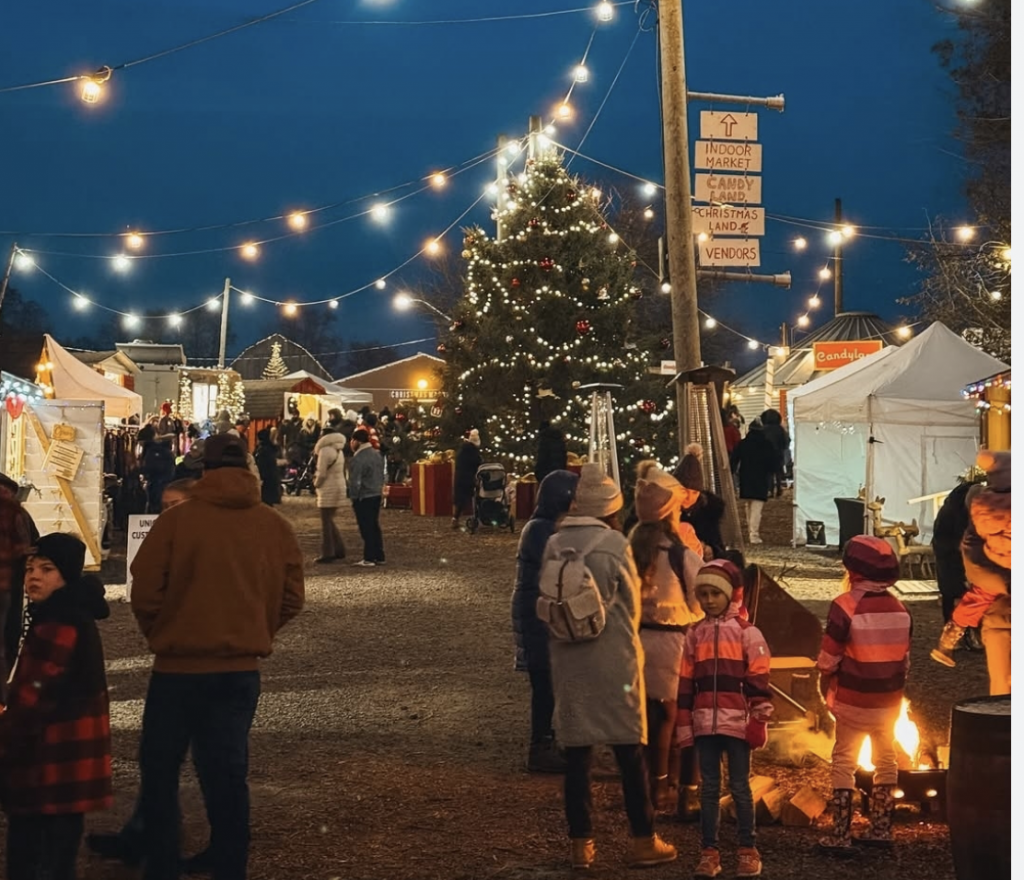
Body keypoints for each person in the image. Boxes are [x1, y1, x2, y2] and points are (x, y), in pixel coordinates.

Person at [129, 432, 305, 880]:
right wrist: (256, 629)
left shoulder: (177, 522)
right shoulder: (274, 526)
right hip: (239, 671)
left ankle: (162, 864)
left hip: (177, 669)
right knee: (226, 773)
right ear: (247, 468)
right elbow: (292, 597)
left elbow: (145, 589)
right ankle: (229, 863)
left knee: (161, 770)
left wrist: (166, 631)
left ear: (203, 469)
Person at [544, 463, 677, 870]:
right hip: (614, 659)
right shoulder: (616, 544)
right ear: (611, 509)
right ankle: (643, 840)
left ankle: (581, 846)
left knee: (577, 758)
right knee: (629, 753)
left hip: (569, 658)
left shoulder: (555, 543)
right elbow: (632, 607)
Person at [86, 478, 212, 873]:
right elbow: (143, 588)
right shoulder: (170, 539)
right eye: (164, 505)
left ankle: (168, 851)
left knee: (195, 762)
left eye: (176, 505)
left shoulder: (203, 545)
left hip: (194, 664)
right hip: (182, 659)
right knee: (160, 761)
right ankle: (145, 836)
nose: (167, 513)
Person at [0, 533, 113, 880]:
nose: (34, 576)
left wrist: (7, 736)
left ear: (66, 575)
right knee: (60, 841)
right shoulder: (71, 613)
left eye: (47, 569)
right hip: (70, 753)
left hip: (51, 753)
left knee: (33, 849)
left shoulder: (58, 622)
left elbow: (34, 692)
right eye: (30, 568)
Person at [676, 559, 772, 878]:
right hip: (705, 724)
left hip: (738, 725)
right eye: (703, 594)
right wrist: (685, 725)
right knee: (709, 789)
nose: (709, 600)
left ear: (731, 594)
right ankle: (709, 852)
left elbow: (759, 678)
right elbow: (685, 683)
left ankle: (748, 849)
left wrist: (759, 720)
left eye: (715, 593)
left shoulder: (748, 633)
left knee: (740, 787)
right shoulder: (694, 634)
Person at [817, 536, 912, 852]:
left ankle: (841, 834)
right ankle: (881, 829)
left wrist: (826, 674)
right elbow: (904, 661)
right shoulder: (901, 609)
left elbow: (828, 658)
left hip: (852, 701)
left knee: (844, 759)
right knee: (886, 759)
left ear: (852, 569)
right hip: (889, 703)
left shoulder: (844, 605)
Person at [628, 476, 703, 816]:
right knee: (678, 717)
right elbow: (699, 601)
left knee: (651, 716)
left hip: (638, 641)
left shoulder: (630, 550)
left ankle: (654, 784)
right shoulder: (679, 554)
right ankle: (676, 790)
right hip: (673, 643)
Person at [511, 469, 579, 774]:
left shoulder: (544, 526)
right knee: (544, 682)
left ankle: (546, 739)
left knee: (548, 681)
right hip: (537, 615)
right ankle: (540, 745)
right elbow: (556, 567)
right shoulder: (540, 530)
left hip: (538, 611)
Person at [931, 450, 1010, 694]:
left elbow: (976, 570)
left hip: (998, 609)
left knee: (1002, 692)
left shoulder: (980, 511)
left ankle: (950, 637)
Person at [0, 473, 35, 693]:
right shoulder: (16, 512)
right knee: (7, 640)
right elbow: (30, 545)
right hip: (7, 586)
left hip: (7, 584)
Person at [672, 444, 728, 560]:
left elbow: (717, 544)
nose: (688, 497)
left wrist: (710, 549)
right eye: (684, 492)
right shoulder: (665, 508)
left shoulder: (708, 511)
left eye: (694, 493)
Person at [729, 419, 777, 545]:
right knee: (757, 507)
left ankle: (751, 530)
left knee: (748, 505)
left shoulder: (743, 443)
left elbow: (734, 460)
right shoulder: (767, 444)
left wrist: (731, 472)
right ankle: (753, 534)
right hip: (761, 478)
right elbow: (773, 463)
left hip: (746, 477)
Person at [348, 428, 386, 567]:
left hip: (363, 496)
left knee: (366, 527)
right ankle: (379, 555)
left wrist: (353, 497)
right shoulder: (377, 454)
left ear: (357, 441)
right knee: (374, 525)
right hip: (376, 493)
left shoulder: (358, 458)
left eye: (352, 440)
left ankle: (369, 557)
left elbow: (355, 481)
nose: (351, 443)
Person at [312, 425, 349, 564]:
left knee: (326, 523)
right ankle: (339, 549)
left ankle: (328, 552)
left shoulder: (325, 451)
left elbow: (321, 473)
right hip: (338, 486)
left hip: (327, 489)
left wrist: (316, 483)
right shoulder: (339, 450)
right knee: (329, 520)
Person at [452, 429, 482, 529]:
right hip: (469, 477)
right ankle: (478, 516)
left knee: (461, 499)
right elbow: (477, 463)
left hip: (461, 476)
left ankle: (455, 518)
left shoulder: (463, 450)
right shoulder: (472, 451)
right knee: (473, 496)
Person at [759, 409, 790, 497]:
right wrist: (783, 448)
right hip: (778, 454)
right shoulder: (780, 429)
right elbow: (787, 441)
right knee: (778, 472)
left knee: (768, 473)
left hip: (766, 454)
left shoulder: (763, 429)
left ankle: (770, 490)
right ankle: (779, 489)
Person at [534, 420, 568, 486]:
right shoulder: (559, 440)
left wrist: (538, 474)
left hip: (546, 475)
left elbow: (541, 460)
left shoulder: (544, 441)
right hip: (559, 474)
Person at [254, 428, 283, 507]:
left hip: (266, 479)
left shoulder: (263, 450)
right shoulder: (270, 449)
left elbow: (262, 465)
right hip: (271, 479)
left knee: (266, 502)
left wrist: (261, 477)